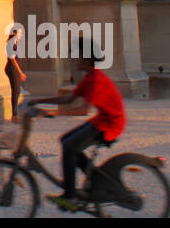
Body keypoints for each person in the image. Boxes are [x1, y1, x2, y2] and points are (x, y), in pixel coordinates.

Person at [30, 46, 126, 212]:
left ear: (87, 61)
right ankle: (93, 178)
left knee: (70, 146)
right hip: (102, 120)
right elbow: (68, 99)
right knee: (65, 140)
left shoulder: (96, 80)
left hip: (110, 124)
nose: (75, 60)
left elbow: (83, 110)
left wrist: (50, 112)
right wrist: (39, 100)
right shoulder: (89, 78)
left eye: (78, 57)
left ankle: (70, 196)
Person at [5, 26, 27, 117]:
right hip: (12, 68)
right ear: (14, 33)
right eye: (19, 32)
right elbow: (13, 59)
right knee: (16, 90)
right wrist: (20, 72)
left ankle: (15, 112)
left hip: (14, 68)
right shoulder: (10, 44)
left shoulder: (15, 43)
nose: (21, 34)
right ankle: (14, 114)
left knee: (17, 90)